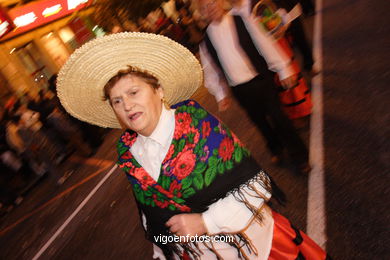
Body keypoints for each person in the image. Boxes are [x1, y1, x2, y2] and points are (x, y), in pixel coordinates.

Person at [56, 32, 329, 259]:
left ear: (159, 91)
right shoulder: (129, 155)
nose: (126, 105)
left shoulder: (197, 126)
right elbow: (153, 220)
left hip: (258, 248)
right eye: (117, 101)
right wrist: (163, 253)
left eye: (133, 92)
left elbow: (257, 187)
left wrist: (205, 222)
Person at [197, 0, 310, 171]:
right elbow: (211, 71)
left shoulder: (242, 19)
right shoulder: (205, 42)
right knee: (260, 122)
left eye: (212, 2)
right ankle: (275, 147)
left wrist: (283, 69)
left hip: (261, 80)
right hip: (240, 90)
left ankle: (300, 156)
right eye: (205, 7)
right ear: (202, 13)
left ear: (220, 3)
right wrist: (220, 94)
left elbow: (265, 44)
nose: (210, 8)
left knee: (278, 117)